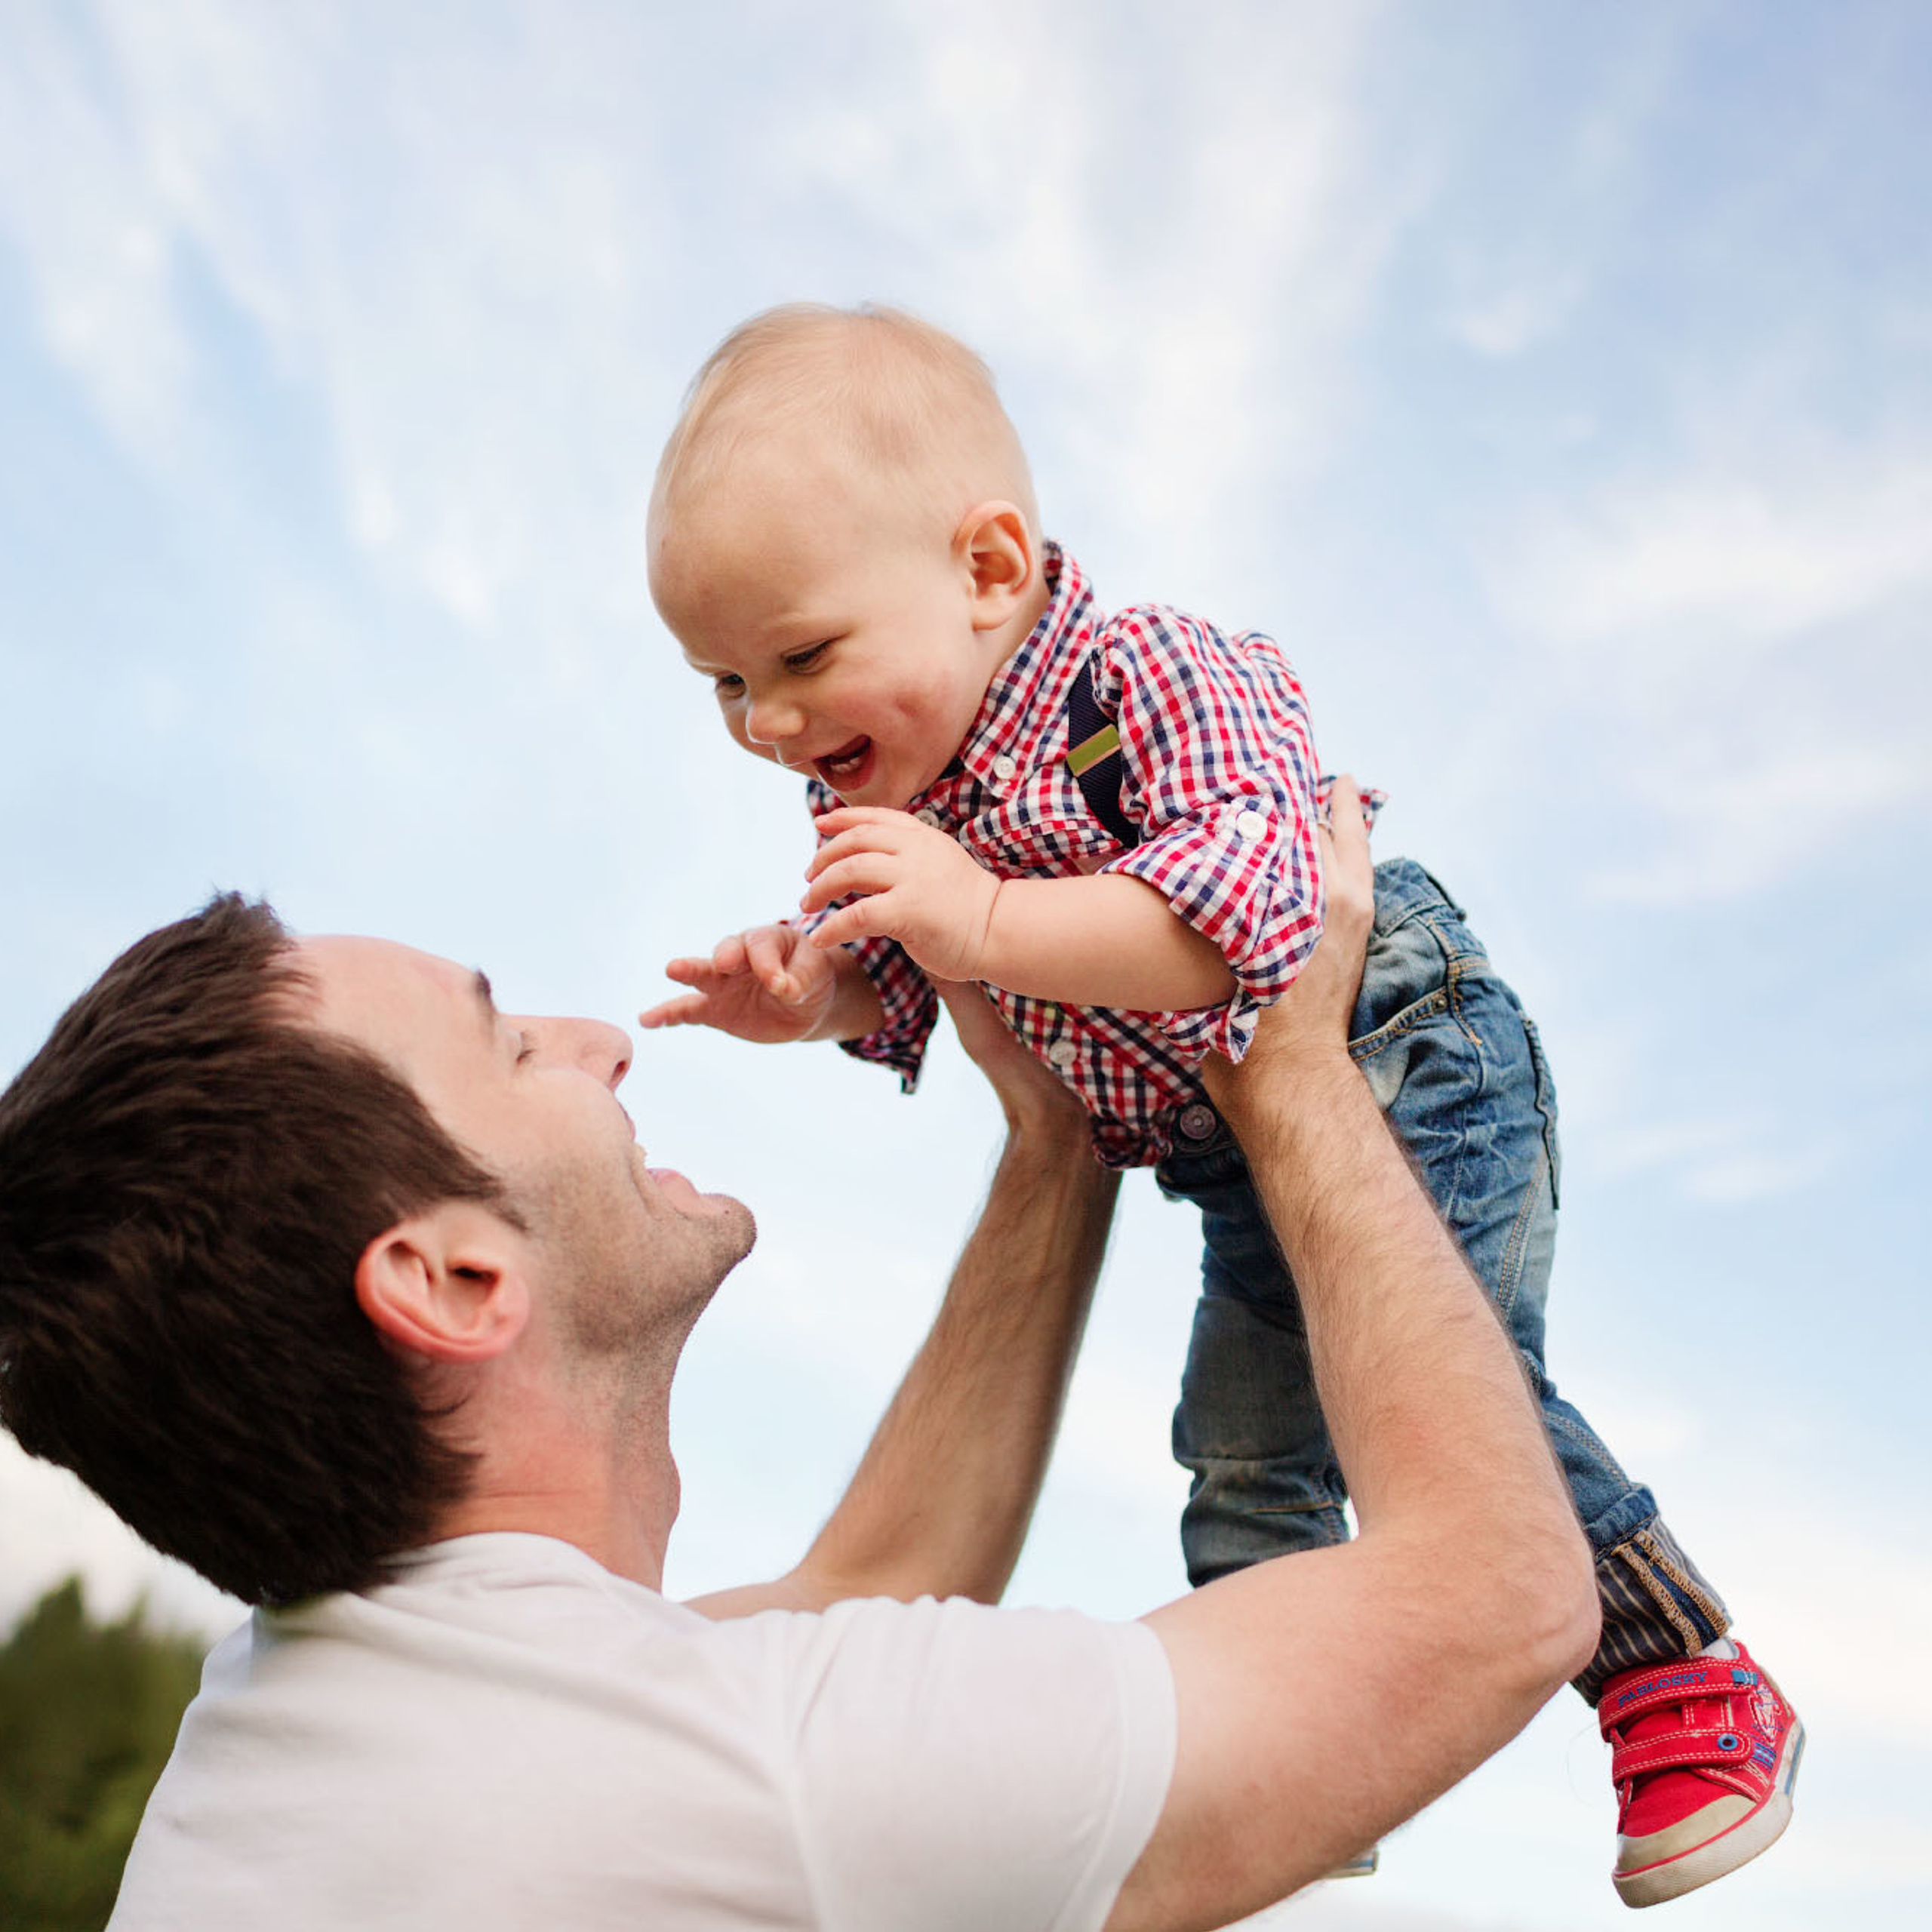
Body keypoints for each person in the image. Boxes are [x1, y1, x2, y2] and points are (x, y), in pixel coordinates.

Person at [641, 303, 1803, 1906]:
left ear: (986, 570)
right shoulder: (900, 791)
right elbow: (926, 984)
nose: (766, 723)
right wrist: (822, 994)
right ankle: (1304, 1741)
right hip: (1231, 1152)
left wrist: (977, 916)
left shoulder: (1143, 678)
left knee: (1439, 1381)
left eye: (800, 656)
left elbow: (1246, 913)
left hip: (1400, 1053)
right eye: (720, 681)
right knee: (1243, 1448)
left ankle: (1681, 1671)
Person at [0, 791, 1601, 1928]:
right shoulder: (728, 1775)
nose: (600, 1038)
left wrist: (1053, 1138)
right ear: (448, 1275)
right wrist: (1285, 1051)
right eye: (507, 1045)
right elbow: (1492, 1600)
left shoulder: (314, 1730)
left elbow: (883, 1573)